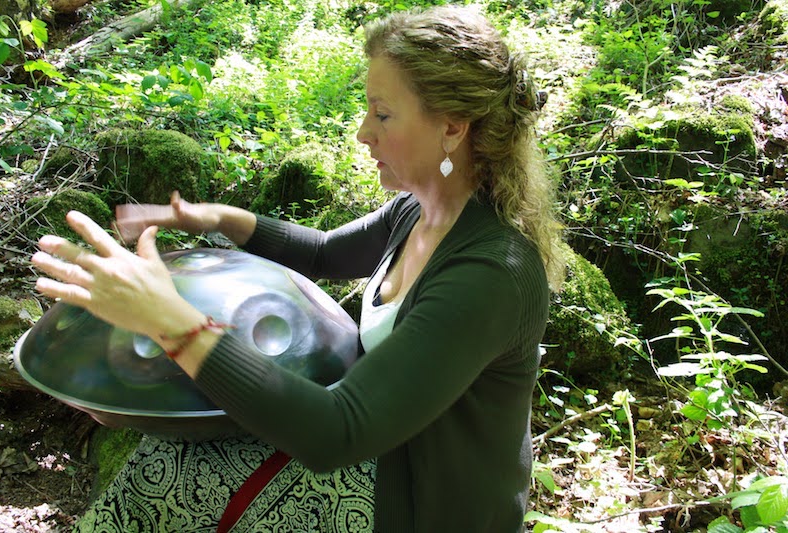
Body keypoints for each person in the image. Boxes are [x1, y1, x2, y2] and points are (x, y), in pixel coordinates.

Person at [32, 5, 565, 532]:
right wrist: (213, 217)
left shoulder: (490, 273)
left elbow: (338, 432)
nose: (362, 132)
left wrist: (168, 320)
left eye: (381, 113)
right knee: (164, 465)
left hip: (423, 504)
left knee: (179, 484)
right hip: (378, 451)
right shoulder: (417, 212)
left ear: (451, 128)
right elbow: (326, 253)